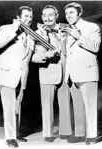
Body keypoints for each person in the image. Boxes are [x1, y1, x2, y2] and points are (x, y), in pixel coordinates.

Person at [0, 6, 34, 147]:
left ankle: (16, 134)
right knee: (9, 107)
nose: (28, 19)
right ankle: (10, 137)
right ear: (18, 17)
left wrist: (46, 56)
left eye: (30, 17)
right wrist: (14, 30)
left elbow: (30, 57)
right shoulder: (6, 28)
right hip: (6, 74)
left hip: (22, 75)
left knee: (17, 107)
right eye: (26, 16)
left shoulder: (30, 35)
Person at [63, 2, 101, 144]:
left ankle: (91, 136)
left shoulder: (91, 27)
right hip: (72, 74)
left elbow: (95, 47)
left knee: (90, 107)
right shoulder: (68, 29)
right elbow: (69, 54)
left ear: (80, 13)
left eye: (71, 13)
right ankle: (79, 133)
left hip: (87, 72)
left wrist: (79, 36)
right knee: (77, 106)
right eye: (67, 14)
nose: (68, 16)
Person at [32, 5, 70, 142]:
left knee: (65, 102)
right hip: (47, 70)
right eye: (44, 15)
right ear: (42, 17)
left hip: (65, 70)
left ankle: (65, 132)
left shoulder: (66, 29)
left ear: (56, 16)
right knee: (47, 104)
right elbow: (32, 57)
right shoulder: (36, 33)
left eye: (51, 15)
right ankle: (48, 134)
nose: (47, 18)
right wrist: (45, 55)